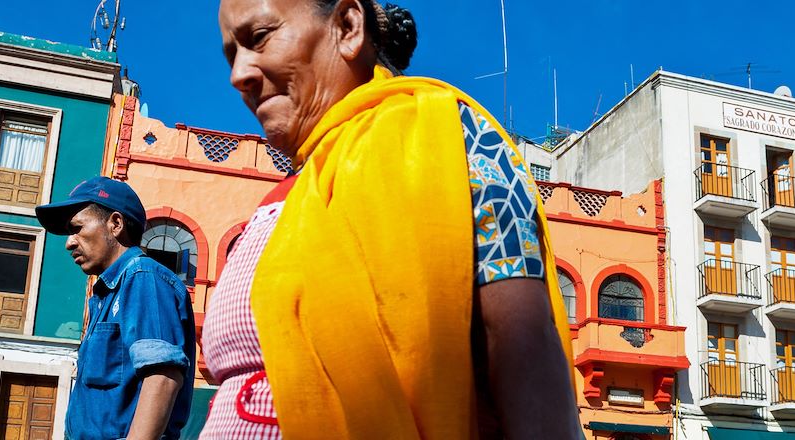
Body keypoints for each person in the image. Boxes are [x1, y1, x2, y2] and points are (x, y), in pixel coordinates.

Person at [202, 0, 581, 438]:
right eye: (232, 54)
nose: (238, 75)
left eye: (259, 38)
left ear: (347, 26)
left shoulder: (453, 144)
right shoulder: (287, 200)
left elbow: (526, 355)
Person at [35, 176, 196, 440]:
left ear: (116, 224)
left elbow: (163, 378)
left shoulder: (143, 278)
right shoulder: (107, 294)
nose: (69, 242)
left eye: (77, 228)